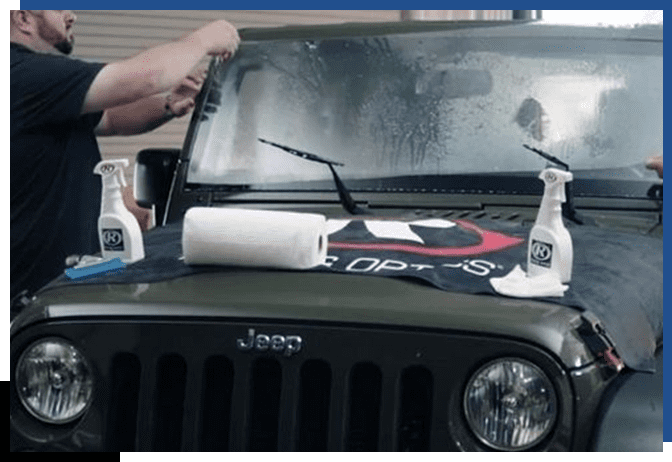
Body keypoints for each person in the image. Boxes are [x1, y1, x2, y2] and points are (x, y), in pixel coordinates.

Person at [10, 10, 240, 302]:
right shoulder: (22, 74)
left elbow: (111, 119)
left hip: (64, 280)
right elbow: (147, 78)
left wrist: (168, 105)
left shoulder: (39, 87)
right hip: (30, 294)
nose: (72, 15)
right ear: (23, 18)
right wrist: (205, 38)